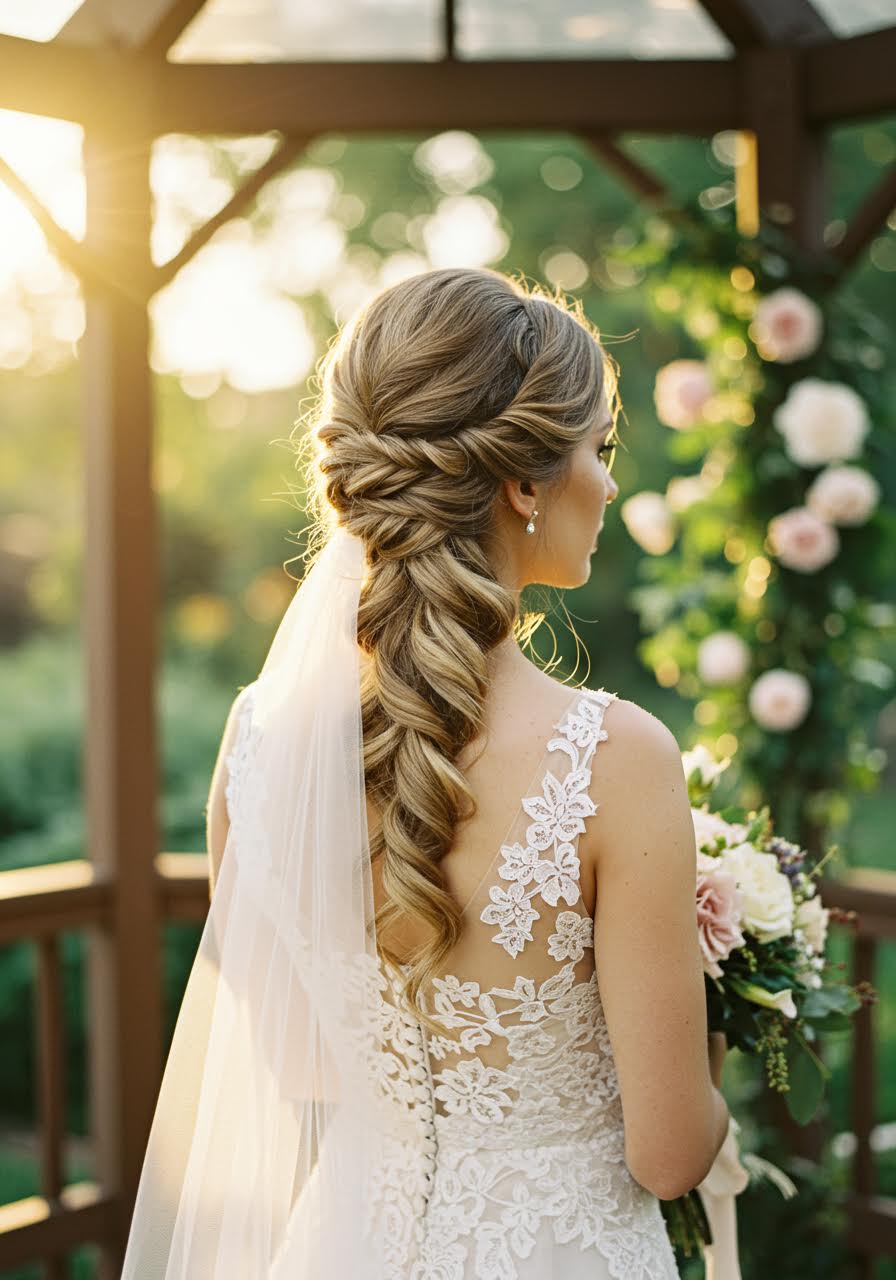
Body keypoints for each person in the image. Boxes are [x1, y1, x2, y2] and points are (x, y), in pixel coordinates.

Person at [124, 266, 733, 1279]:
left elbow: (298, 1066)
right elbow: (667, 1153)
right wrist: (717, 1026)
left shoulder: (256, 746)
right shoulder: (616, 759)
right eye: (601, 448)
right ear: (524, 481)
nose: (612, 483)